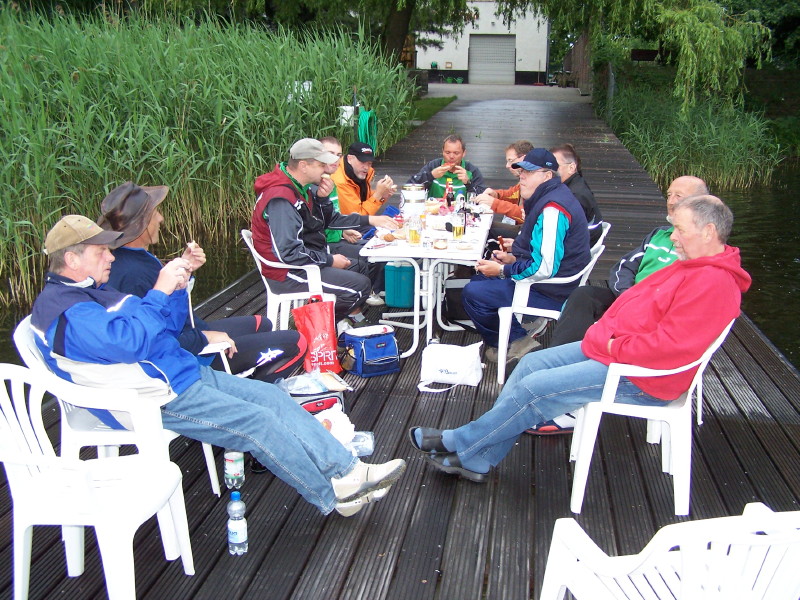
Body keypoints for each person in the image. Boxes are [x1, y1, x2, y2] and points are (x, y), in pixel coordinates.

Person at [30, 215, 406, 517]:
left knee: (272, 398)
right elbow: (130, 342)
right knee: (258, 423)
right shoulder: (68, 310)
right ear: (72, 260)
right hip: (152, 397)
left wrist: (178, 287)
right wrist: (159, 290)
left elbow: (167, 328)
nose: (111, 257)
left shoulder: (91, 292)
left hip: (180, 373)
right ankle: (332, 496)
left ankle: (348, 470)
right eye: (100, 252)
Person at [408, 196, 750, 482]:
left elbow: (669, 348)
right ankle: (479, 458)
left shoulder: (713, 283)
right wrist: (606, 337)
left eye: (680, 230)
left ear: (708, 231)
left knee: (534, 389)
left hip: (643, 376)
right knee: (530, 364)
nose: (672, 237)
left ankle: (461, 441)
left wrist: (612, 344)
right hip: (617, 351)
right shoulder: (692, 266)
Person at [527, 175, 710, 435]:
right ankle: (557, 370)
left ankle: (570, 401)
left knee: (616, 330)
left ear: (700, 203)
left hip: (657, 316)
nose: (671, 201)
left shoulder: (699, 249)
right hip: (630, 297)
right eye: (669, 194)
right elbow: (624, 267)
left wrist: (642, 304)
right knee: (583, 296)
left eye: (679, 196)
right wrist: (628, 295)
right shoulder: (659, 235)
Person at [97, 181, 306, 383]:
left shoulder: (130, 258)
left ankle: (244, 376)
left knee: (263, 324)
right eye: (155, 213)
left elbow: (169, 312)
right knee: (298, 343)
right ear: (142, 224)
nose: (160, 218)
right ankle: (246, 394)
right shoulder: (133, 275)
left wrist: (186, 270)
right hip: (190, 359)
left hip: (190, 333)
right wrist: (206, 338)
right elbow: (160, 341)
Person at [251, 138, 398, 328]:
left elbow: (327, 222)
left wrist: (322, 200)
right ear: (304, 166)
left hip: (303, 260)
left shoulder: (299, 187)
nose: (326, 168)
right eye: (321, 165)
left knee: (361, 266)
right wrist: (329, 260)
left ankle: (341, 324)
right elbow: (289, 253)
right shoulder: (281, 198)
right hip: (286, 272)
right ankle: (307, 326)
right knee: (360, 286)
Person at [462, 148, 589, 364]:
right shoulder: (552, 196)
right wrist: (513, 259)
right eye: (521, 171)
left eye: (528, 172)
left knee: (473, 293)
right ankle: (512, 335)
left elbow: (544, 268)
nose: (522, 176)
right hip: (552, 281)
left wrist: (504, 270)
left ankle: (516, 342)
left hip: (552, 291)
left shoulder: (553, 210)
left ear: (547, 176)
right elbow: (543, 251)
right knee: (479, 280)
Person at [320, 138, 385, 307]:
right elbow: (358, 214)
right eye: (330, 154)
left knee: (379, 247)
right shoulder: (332, 183)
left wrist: (342, 230)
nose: (367, 167)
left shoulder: (329, 181)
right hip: (323, 247)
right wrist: (378, 197)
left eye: (338, 155)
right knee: (371, 256)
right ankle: (357, 301)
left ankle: (362, 300)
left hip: (338, 233)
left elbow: (329, 218)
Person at [473, 140, 533, 239]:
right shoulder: (527, 178)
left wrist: (494, 203)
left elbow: (523, 214)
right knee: (482, 225)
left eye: (511, 160)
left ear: (523, 158)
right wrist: (496, 194)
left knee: (485, 230)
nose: (507, 165)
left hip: (529, 233)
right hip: (524, 228)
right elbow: (512, 193)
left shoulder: (534, 181)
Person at [550, 144, 604, 246]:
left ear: (571, 167)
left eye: (555, 166)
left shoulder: (574, 195)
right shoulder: (576, 182)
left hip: (578, 246)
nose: (550, 171)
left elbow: (559, 233)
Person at [407, 134, 486, 198]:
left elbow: (483, 197)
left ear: (464, 153)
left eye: (456, 153)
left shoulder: (472, 171)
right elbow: (409, 187)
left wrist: (468, 183)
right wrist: (430, 176)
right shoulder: (434, 166)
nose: (451, 156)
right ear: (442, 152)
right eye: (447, 152)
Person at [331, 141, 395, 218]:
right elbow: (356, 219)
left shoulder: (362, 172)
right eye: (362, 162)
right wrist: (378, 194)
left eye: (369, 163)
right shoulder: (341, 183)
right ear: (349, 159)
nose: (366, 167)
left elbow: (362, 199)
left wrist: (382, 196)